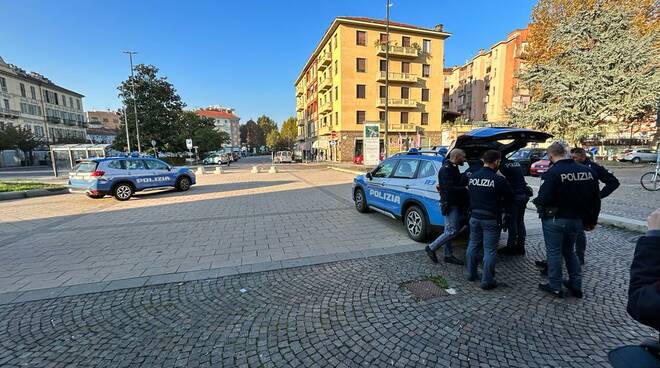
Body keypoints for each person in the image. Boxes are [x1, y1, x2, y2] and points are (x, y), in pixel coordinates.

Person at [533, 142, 601, 298]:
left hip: (555, 219)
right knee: (570, 252)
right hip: (577, 219)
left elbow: (544, 198)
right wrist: (592, 219)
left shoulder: (552, 172)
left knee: (554, 252)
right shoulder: (587, 171)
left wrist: (537, 202)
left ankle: (555, 286)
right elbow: (595, 199)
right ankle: (576, 284)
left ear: (551, 155)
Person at [466, 150, 513, 290]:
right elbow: (510, 196)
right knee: (490, 250)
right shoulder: (499, 179)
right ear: (497, 162)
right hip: (491, 219)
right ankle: (487, 280)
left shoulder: (473, 177)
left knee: (473, 245)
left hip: (474, 216)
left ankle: (471, 273)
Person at [571, 147, 620, 265]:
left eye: (574, 157)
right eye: (570, 157)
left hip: (585, 205)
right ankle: (564, 255)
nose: (572, 159)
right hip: (570, 203)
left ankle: (579, 257)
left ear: (583, 157)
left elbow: (613, 182)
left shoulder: (594, 167)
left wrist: (599, 196)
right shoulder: (569, 167)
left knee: (578, 230)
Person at [425, 148, 469, 265]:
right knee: (452, 231)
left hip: (454, 203)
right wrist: (465, 189)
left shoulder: (454, 167)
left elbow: (455, 182)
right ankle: (431, 247)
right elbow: (449, 189)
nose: (464, 159)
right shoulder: (446, 170)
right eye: (463, 157)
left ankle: (448, 255)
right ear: (457, 156)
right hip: (450, 204)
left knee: (448, 230)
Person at [498, 155, 531, 255]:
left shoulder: (502, 166)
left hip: (514, 197)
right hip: (523, 195)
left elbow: (502, 182)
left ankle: (511, 247)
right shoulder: (515, 163)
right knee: (520, 221)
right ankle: (521, 246)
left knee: (512, 222)